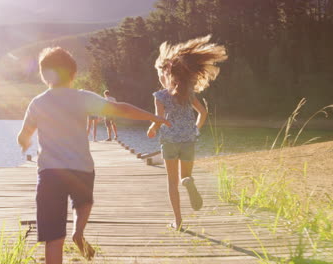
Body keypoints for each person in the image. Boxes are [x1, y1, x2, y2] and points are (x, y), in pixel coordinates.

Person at [17, 46, 170, 263]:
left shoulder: (38, 103)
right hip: (81, 169)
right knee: (84, 203)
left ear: (44, 75)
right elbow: (121, 109)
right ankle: (78, 232)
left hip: (50, 173)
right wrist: (153, 117)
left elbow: (24, 134)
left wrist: (24, 142)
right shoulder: (82, 98)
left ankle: (73, 236)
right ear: (73, 74)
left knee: (54, 239)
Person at [147, 35, 227, 230]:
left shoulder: (160, 96)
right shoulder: (188, 93)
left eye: (159, 74)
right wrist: (195, 129)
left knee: (172, 182)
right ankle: (189, 181)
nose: (159, 77)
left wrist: (152, 128)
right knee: (185, 177)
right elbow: (203, 112)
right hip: (188, 140)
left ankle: (178, 221)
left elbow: (160, 118)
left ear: (166, 74)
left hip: (170, 142)